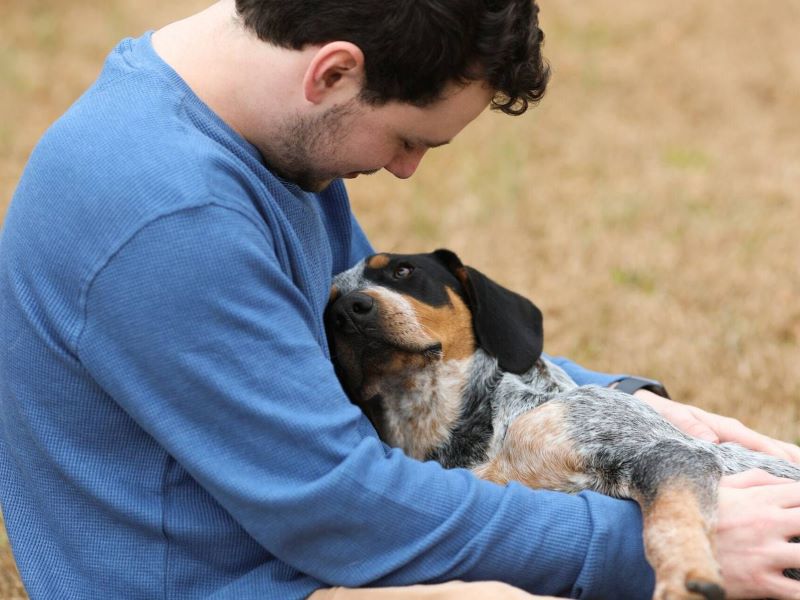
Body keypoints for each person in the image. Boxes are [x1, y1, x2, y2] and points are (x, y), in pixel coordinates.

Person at [1, 1, 798, 598]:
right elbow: (341, 508)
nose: (407, 170)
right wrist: (645, 544)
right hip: (247, 580)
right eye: (411, 139)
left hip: (307, 544)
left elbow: (405, 352)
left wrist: (614, 400)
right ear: (335, 72)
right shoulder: (169, 215)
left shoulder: (262, 138)